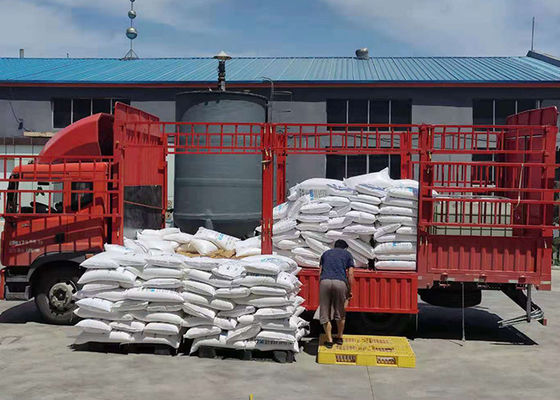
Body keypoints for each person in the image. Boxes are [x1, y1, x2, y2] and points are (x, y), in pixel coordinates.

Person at [318, 239, 354, 348]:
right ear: (345, 248)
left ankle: (329, 340)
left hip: (325, 282)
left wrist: (322, 284)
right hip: (340, 282)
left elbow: (320, 272)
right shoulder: (347, 254)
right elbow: (350, 274)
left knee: (324, 312)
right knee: (340, 312)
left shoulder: (325, 254)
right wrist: (349, 290)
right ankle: (339, 337)